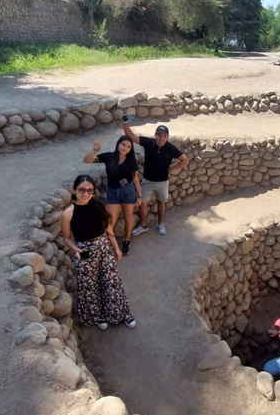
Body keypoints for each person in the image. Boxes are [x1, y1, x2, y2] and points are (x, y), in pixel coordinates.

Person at [59, 175, 136, 331]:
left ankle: (121, 313)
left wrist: (115, 247)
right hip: (84, 251)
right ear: (74, 190)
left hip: (103, 247)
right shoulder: (68, 214)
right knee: (90, 285)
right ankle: (98, 314)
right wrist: (74, 248)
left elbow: (107, 228)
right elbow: (66, 237)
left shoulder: (98, 205)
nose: (86, 194)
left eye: (90, 190)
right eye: (82, 190)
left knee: (111, 281)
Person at [122, 120, 190, 236]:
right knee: (143, 203)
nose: (162, 138)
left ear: (167, 137)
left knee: (161, 202)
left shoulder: (171, 148)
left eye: (164, 136)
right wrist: (125, 125)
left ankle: (161, 223)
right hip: (147, 180)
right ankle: (143, 226)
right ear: (155, 135)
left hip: (163, 181)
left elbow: (185, 160)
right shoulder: (149, 143)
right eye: (159, 135)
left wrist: (172, 168)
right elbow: (132, 136)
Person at [83, 135, 142, 256]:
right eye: (123, 145)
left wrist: (139, 196)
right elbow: (87, 161)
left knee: (128, 218)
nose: (125, 148)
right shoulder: (109, 156)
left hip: (128, 191)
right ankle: (109, 245)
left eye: (128, 146)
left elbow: (135, 179)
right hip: (113, 192)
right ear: (118, 144)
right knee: (109, 222)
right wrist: (95, 150)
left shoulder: (131, 161)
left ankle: (126, 241)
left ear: (131, 149)